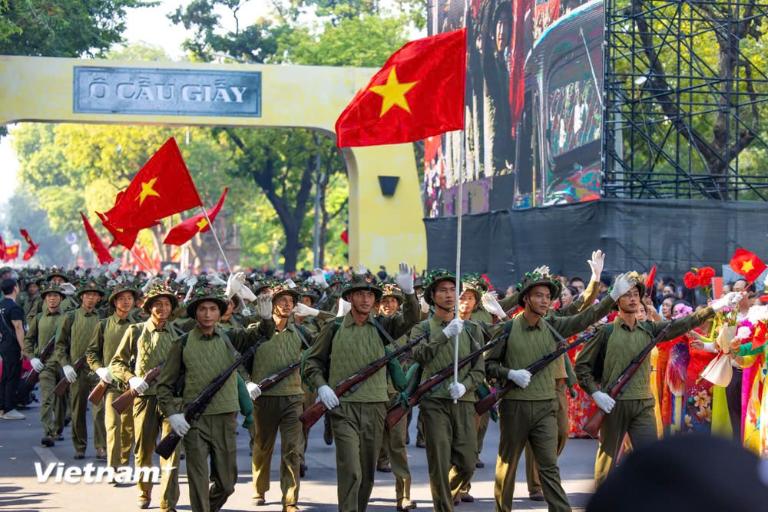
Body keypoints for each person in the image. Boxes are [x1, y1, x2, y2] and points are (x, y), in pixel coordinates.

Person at [485, 268, 630, 512]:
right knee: (507, 465)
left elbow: (585, 317)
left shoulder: (553, 326)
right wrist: (509, 373)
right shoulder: (508, 329)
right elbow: (488, 364)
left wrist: (612, 296)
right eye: (539, 295)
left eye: (547, 296)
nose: (544, 300)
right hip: (515, 406)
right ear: (526, 298)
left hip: (546, 406)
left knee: (549, 467)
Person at [575, 279, 743, 486]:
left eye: (636, 294)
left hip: (644, 403)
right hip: (612, 403)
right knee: (607, 460)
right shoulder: (606, 332)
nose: (633, 298)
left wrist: (714, 308)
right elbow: (581, 366)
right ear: (616, 300)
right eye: (627, 294)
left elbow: (683, 324)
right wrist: (595, 393)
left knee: (652, 457)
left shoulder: (649, 329)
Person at [302, 265, 418, 512]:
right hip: (343, 408)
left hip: (375, 407)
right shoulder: (333, 328)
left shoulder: (383, 327)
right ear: (349, 297)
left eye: (370, 295)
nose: (366, 299)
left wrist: (409, 293)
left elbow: (411, 320)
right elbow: (311, 362)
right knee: (351, 470)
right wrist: (322, 387)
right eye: (360, 294)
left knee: (366, 473)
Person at [156, 278, 273, 512]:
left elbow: (263, 335)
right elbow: (163, 386)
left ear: (220, 313)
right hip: (194, 420)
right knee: (198, 479)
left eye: (212, 309)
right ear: (195, 313)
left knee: (227, 483)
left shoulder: (231, 337)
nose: (207, 314)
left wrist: (267, 318)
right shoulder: (182, 343)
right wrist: (173, 415)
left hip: (225, 417)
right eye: (202, 309)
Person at [409, 270, 485, 512]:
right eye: (442, 290)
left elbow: (479, 369)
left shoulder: (472, 329)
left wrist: (465, 385)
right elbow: (419, 355)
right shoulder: (422, 328)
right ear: (432, 296)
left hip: (463, 401)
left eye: (453, 290)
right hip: (434, 402)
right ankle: (442, 506)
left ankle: (446, 492)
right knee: (440, 462)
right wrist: (444, 335)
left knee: (468, 462)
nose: (449, 295)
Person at [111, 282, 182, 510]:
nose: (162, 308)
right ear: (149, 307)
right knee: (144, 450)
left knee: (171, 450)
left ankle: (168, 500)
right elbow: (117, 363)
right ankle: (144, 491)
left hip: (172, 399)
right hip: (144, 398)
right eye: (157, 304)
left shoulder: (180, 336)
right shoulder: (136, 331)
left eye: (167, 304)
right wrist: (131, 379)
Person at [247, 281, 309, 511]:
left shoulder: (301, 333)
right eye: (281, 300)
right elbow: (241, 363)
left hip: (293, 397)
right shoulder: (256, 331)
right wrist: (247, 383)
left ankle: (290, 499)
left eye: (290, 301)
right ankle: (259, 488)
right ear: (271, 304)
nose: (286, 304)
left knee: (293, 449)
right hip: (263, 398)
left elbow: (321, 349)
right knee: (262, 447)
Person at [86, 282, 139, 472]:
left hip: (134, 385)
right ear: (114, 302)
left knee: (128, 430)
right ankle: (113, 467)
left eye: (129, 298)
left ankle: (123, 463)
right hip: (111, 385)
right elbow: (91, 353)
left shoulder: (139, 326)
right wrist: (100, 370)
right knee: (113, 427)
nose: (126, 302)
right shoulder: (103, 325)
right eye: (122, 298)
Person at [53, 279, 106, 458]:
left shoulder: (103, 318)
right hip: (77, 370)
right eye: (88, 295)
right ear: (82, 297)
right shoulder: (71, 316)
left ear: (99, 299)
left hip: (97, 369)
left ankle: (101, 446)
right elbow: (59, 345)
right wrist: (66, 365)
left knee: (100, 410)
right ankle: (80, 446)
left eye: (94, 296)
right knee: (78, 410)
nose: (91, 298)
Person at [24, 282, 67, 441]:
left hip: (64, 365)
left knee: (61, 401)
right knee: (47, 399)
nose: (52, 299)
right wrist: (32, 358)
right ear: (44, 299)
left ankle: (58, 429)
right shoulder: (39, 318)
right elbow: (28, 341)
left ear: (61, 298)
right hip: (46, 365)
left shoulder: (68, 317)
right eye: (49, 296)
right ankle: (48, 433)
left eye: (55, 296)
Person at [0, 278, 26, 420]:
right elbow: (18, 327)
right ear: (15, 288)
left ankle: (2, 406)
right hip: (13, 346)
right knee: (12, 376)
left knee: (5, 376)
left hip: (3, 344)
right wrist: (23, 348)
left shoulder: (1, 305)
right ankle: (9, 408)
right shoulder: (14, 307)